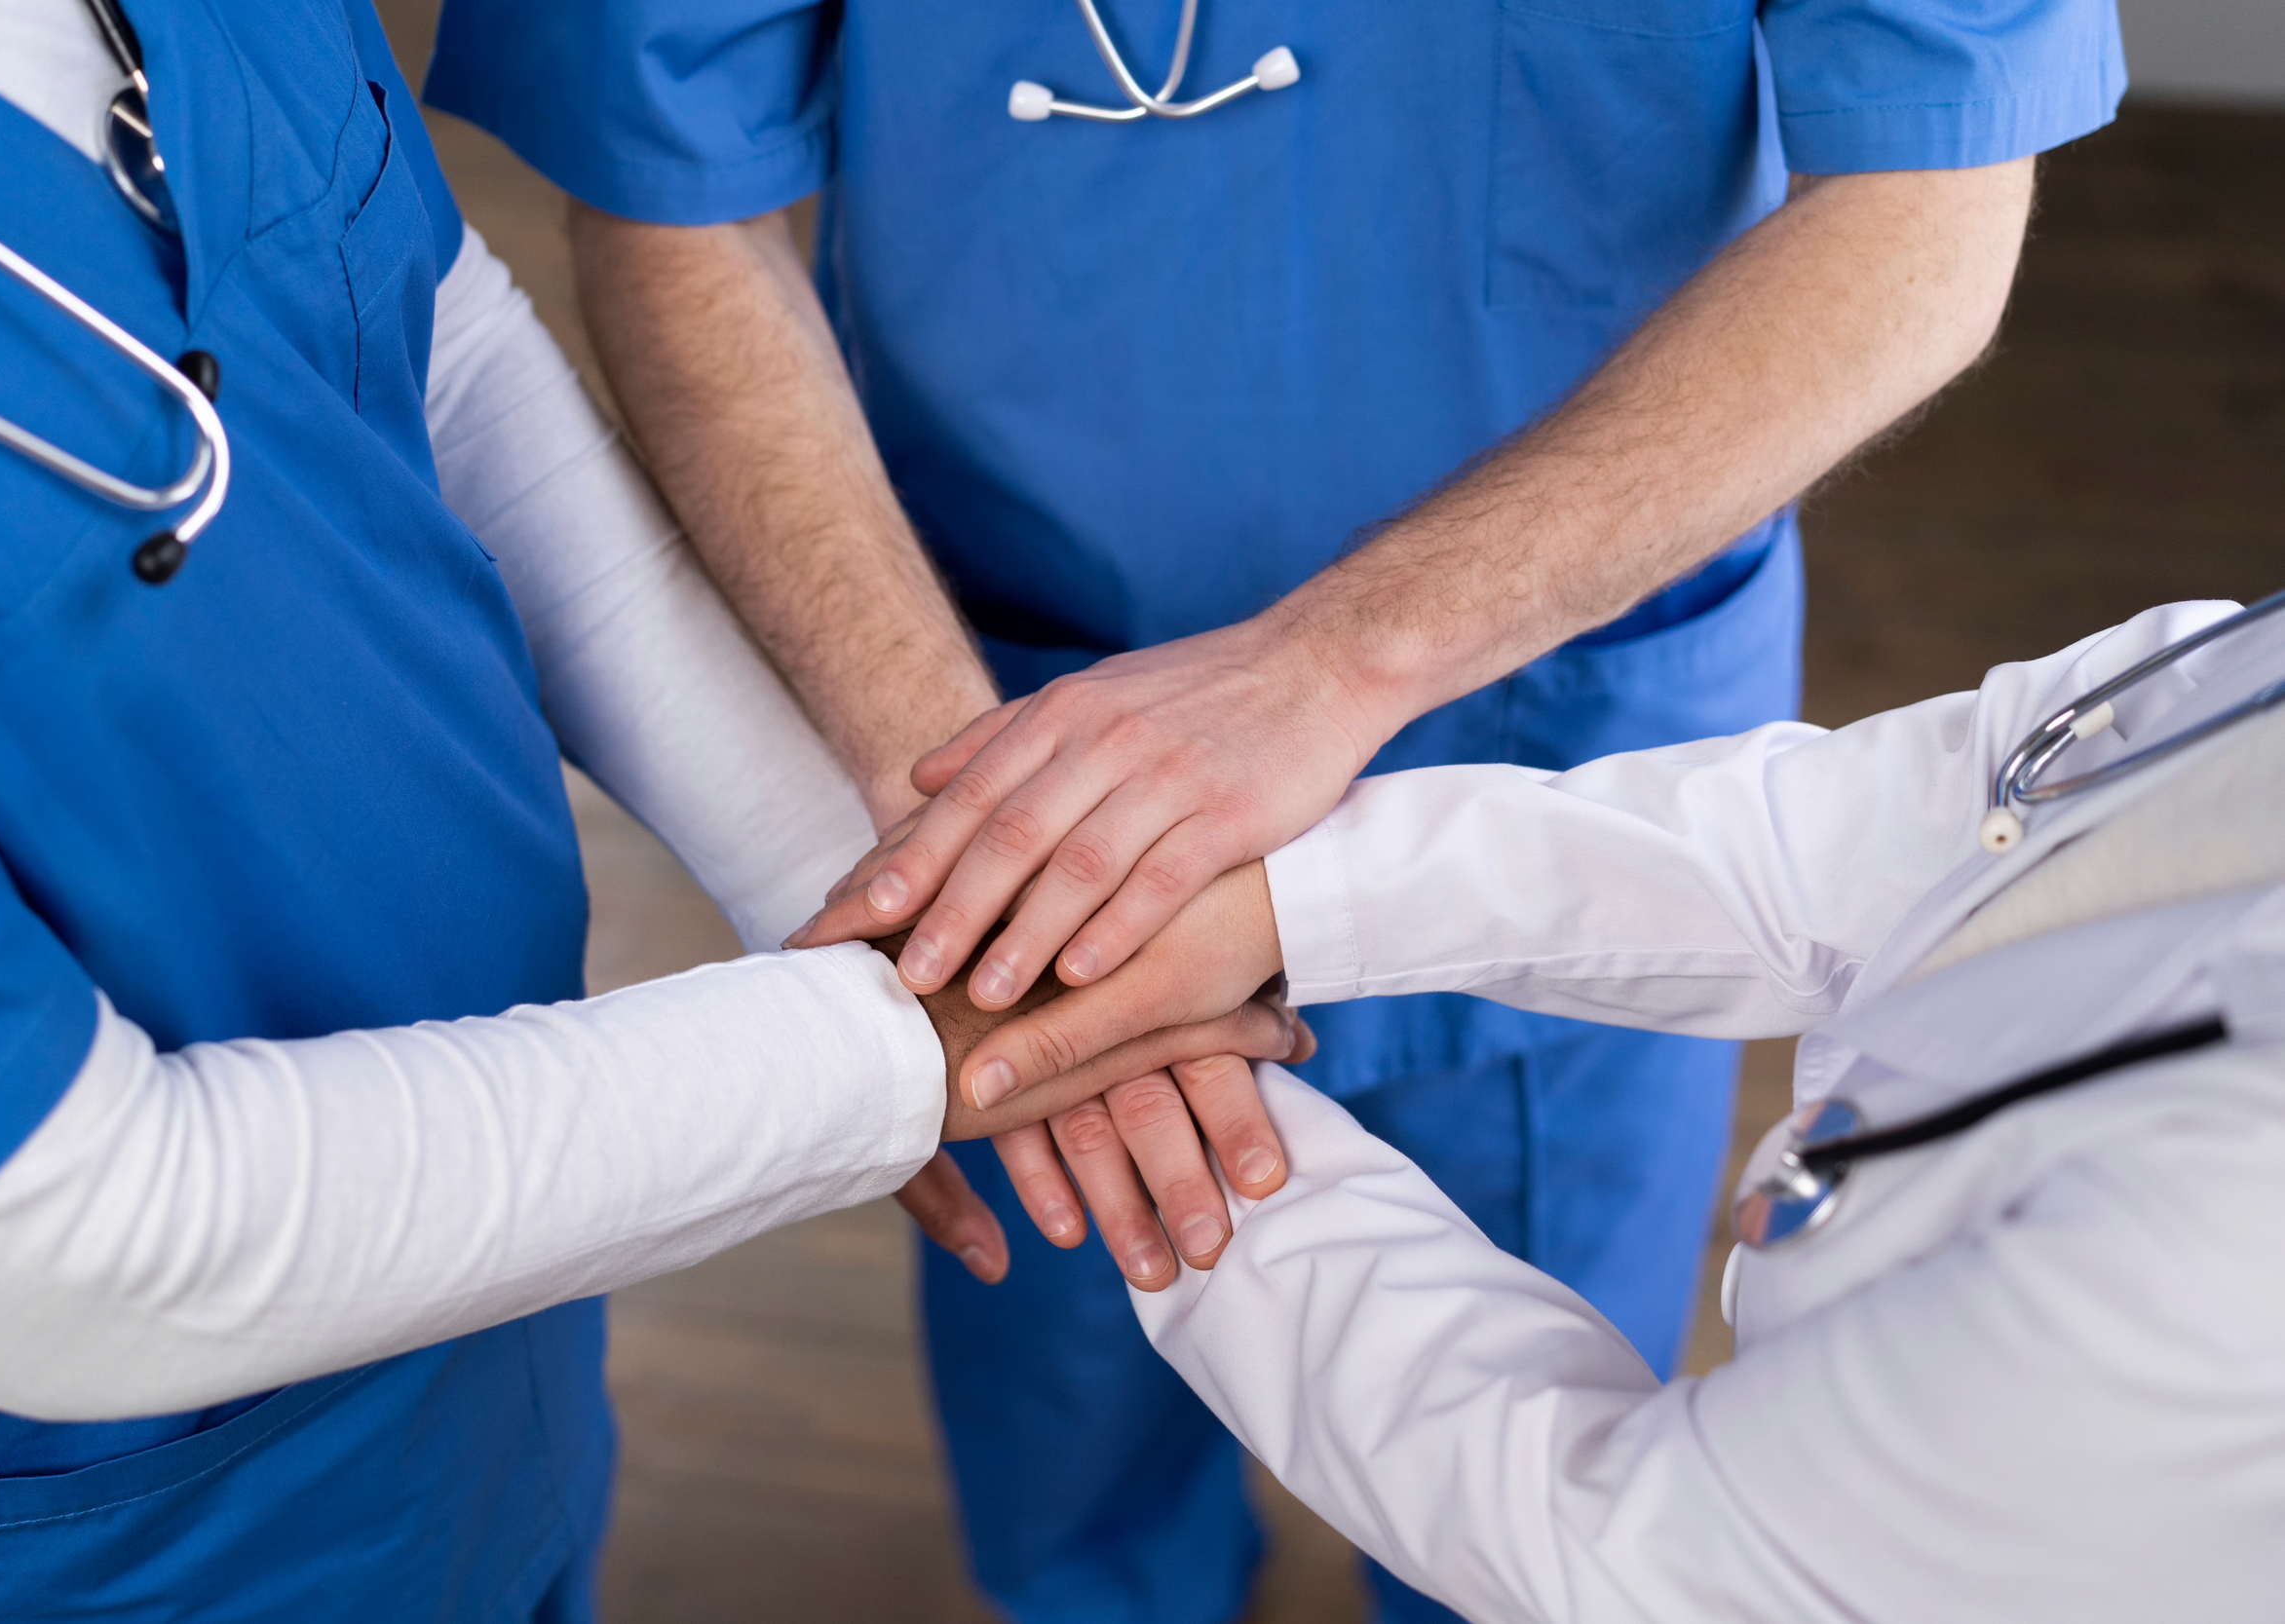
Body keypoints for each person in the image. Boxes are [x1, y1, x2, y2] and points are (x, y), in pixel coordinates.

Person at [422, 0, 2123, 1615]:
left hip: (1566, 711)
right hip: (982, 687)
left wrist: (1338, 662)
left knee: (1543, 1504)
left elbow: (1930, 201)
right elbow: (666, 193)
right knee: (1075, 1451)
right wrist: (999, 832)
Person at [0, 3, 1297, 1617]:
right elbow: (85, 1235)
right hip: (106, 1529)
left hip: (481, 1331)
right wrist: (883, 1044)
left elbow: (425, 338)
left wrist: (893, 895)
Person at [952, 592, 2285, 1620]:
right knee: (1073, 1453)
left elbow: (1624, 1547)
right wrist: (1269, 909)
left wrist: (1167, 1105)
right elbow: (1939, 818)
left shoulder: (2224, 1269)